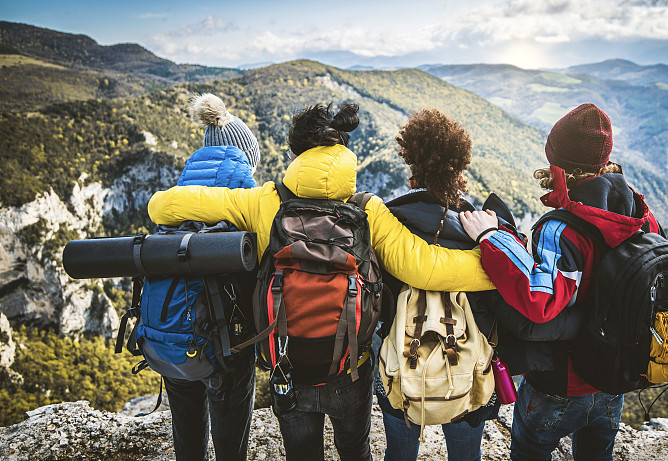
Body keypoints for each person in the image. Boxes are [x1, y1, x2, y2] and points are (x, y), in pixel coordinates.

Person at [147, 102, 495, 461]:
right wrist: (500, 267)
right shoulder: (366, 208)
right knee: (355, 449)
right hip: (348, 368)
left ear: (294, 154)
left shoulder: (266, 202)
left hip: (286, 367)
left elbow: (162, 207)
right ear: (342, 149)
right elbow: (427, 267)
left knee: (301, 453)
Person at [460, 103, 662, 461]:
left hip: (561, 382)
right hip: (615, 376)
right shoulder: (640, 217)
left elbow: (540, 300)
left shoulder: (561, 229)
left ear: (558, 164)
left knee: (529, 453)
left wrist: (492, 238)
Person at [373, 108, 500, 461]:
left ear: (411, 165)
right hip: (466, 359)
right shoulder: (478, 225)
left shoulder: (391, 219)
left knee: (399, 453)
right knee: (465, 454)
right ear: (460, 167)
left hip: (403, 356)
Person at [162, 93, 260, 461]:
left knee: (187, 438)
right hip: (226, 341)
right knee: (230, 442)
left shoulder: (174, 197)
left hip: (174, 334)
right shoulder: (249, 196)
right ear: (246, 157)